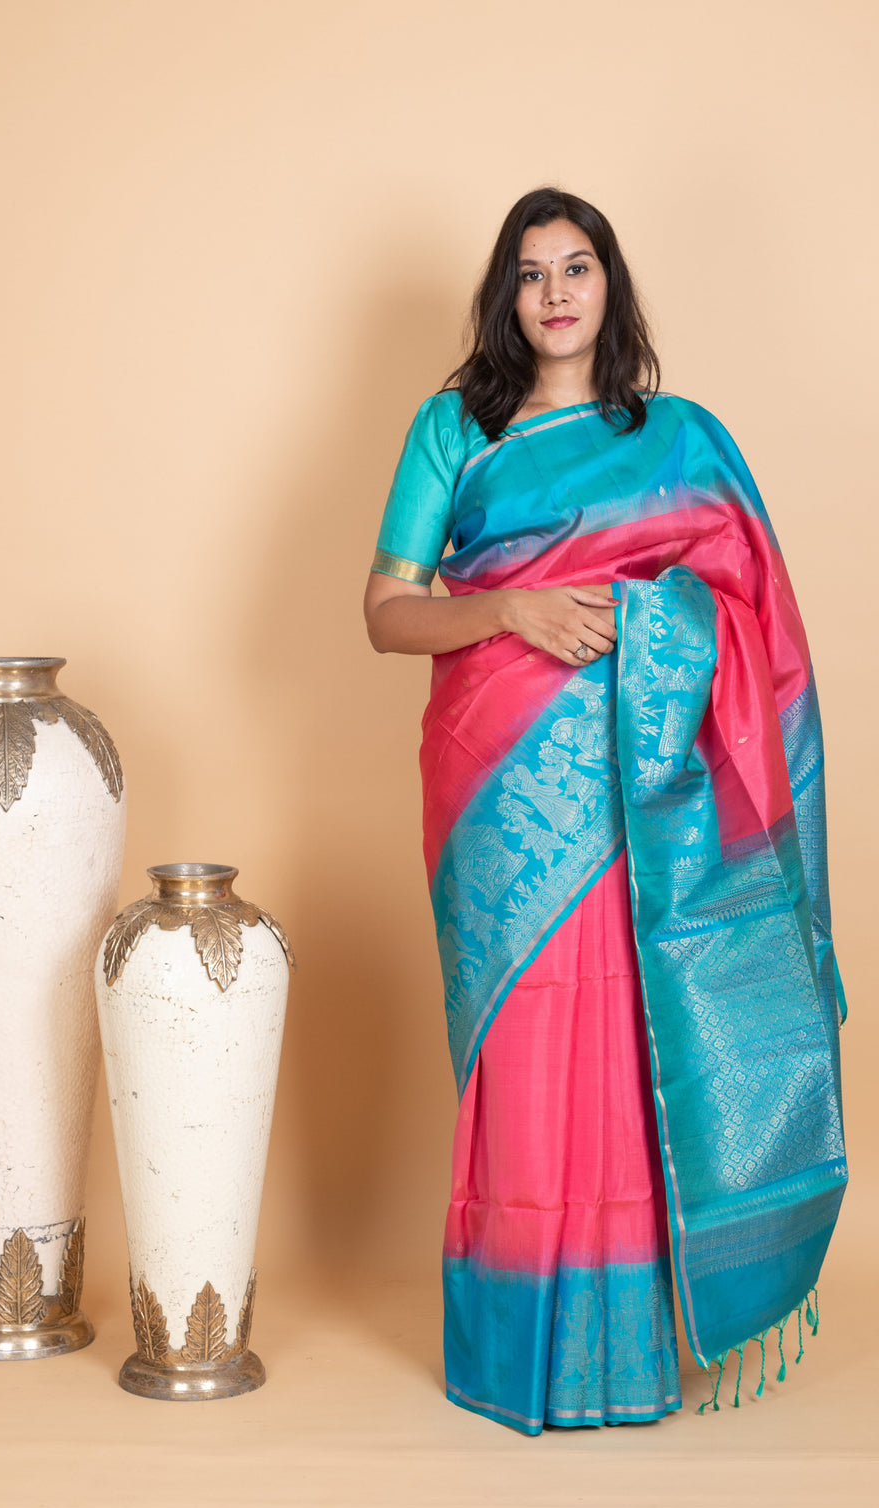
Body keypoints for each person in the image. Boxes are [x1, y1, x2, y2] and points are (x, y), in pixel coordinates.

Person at [363, 187, 847, 1435]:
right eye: (531, 274)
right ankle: (520, 1344)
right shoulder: (453, 429)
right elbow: (387, 611)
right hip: (502, 809)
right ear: (506, 297)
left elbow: (758, 623)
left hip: (646, 799)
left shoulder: (677, 439)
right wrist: (511, 609)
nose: (556, 293)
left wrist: (650, 623)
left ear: (609, 286)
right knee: (527, 1053)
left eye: (576, 268)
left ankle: (622, 1355)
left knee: (631, 1045)